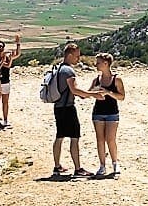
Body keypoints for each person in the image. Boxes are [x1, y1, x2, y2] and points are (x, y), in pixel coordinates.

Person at [51, 43, 104, 176]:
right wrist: (92, 94)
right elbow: (74, 89)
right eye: (76, 56)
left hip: (58, 107)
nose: (78, 59)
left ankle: (57, 166)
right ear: (69, 55)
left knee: (60, 136)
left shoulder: (59, 69)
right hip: (68, 108)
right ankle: (78, 168)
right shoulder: (68, 71)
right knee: (74, 137)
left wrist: (84, 94)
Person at [89, 52, 125, 177]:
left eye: (98, 63)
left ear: (106, 63)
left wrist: (108, 92)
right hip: (98, 112)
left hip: (112, 112)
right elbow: (88, 93)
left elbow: (121, 97)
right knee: (100, 139)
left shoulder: (117, 79)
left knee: (110, 139)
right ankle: (102, 165)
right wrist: (95, 92)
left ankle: (115, 163)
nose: (96, 65)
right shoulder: (96, 80)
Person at [0, 34, 22, 126]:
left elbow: (17, 54)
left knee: (5, 102)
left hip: (5, 81)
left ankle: (5, 120)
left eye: (1, 47)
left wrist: (18, 44)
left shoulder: (6, 57)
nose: (0, 48)